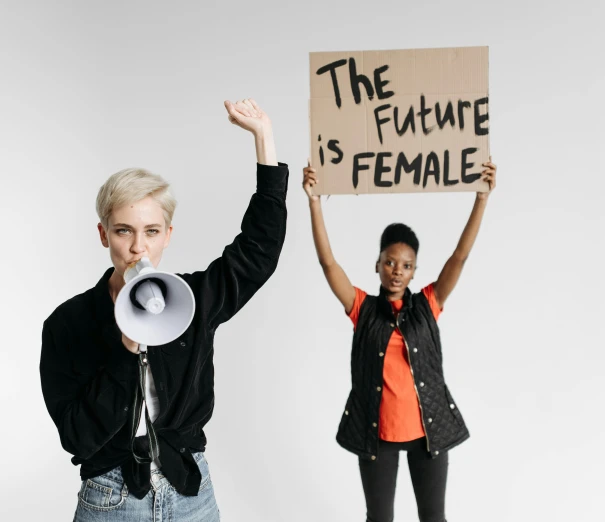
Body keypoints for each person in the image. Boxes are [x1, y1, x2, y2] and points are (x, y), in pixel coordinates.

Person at [40, 99, 287, 521]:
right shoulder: (68, 323)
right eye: (124, 231)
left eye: (151, 231)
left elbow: (257, 253)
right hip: (111, 498)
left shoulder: (194, 299)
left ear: (167, 235)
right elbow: (78, 437)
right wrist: (127, 348)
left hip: (191, 492)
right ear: (104, 235)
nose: (138, 247)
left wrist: (264, 140)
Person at [302, 157, 497, 522]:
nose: (397, 271)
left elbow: (460, 255)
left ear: (414, 271)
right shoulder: (362, 308)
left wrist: (481, 198)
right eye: (390, 262)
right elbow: (329, 263)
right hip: (377, 435)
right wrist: (314, 201)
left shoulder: (428, 304)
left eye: (406, 265)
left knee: (433, 518)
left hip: (428, 433)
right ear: (377, 264)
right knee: (379, 519)